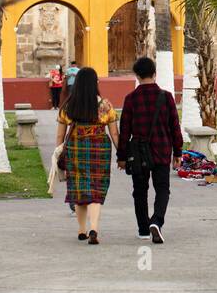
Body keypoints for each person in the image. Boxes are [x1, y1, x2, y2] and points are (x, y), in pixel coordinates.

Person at [116, 56, 181, 244]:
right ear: (155, 74)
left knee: (139, 191)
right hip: (161, 149)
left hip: (138, 153)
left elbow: (125, 131)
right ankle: (157, 221)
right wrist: (177, 152)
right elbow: (174, 127)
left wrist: (121, 157)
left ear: (136, 75)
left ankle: (143, 229)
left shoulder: (130, 99)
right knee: (162, 189)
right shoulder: (166, 97)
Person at [55, 67, 118, 244]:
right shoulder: (105, 105)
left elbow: (60, 135)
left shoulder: (68, 106)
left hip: (75, 149)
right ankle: (94, 228)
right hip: (100, 150)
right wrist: (121, 153)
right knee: (96, 190)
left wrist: (58, 153)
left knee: (79, 188)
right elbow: (114, 134)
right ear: (95, 83)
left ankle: (81, 230)